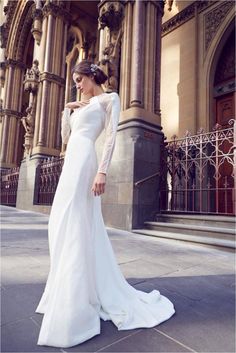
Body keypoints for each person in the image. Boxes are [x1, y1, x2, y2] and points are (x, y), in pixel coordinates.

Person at [35, 60, 175, 348]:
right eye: (74, 80)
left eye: (79, 79)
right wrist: (66, 111)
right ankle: (66, 287)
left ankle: (74, 302)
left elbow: (111, 137)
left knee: (75, 222)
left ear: (91, 76)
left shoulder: (109, 99)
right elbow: (65, 139)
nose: (77, 85)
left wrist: (102, 171)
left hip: (87, 160)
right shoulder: (79, 106)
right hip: (71, 161)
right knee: (60, 221)